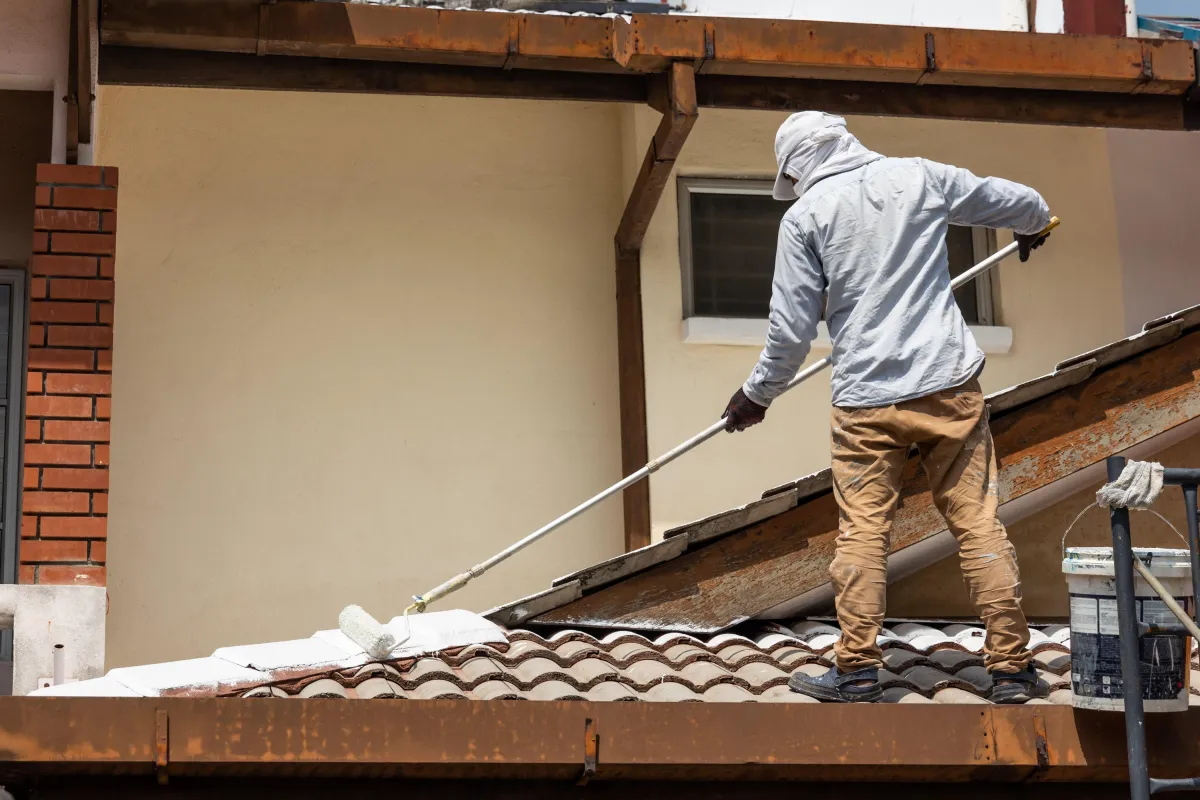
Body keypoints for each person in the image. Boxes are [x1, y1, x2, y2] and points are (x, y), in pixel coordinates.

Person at [722, 111, 1051, 704]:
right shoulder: (919, 176)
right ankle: (1010, 668)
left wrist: (757, 395)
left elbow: (792, 331)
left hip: (865, 401)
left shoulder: (804, 218)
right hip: (948, 384)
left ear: (797, 170)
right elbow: (1022, 201)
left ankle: (854, 671)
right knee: (976, 521)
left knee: (864, 532)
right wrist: (1030, 225)